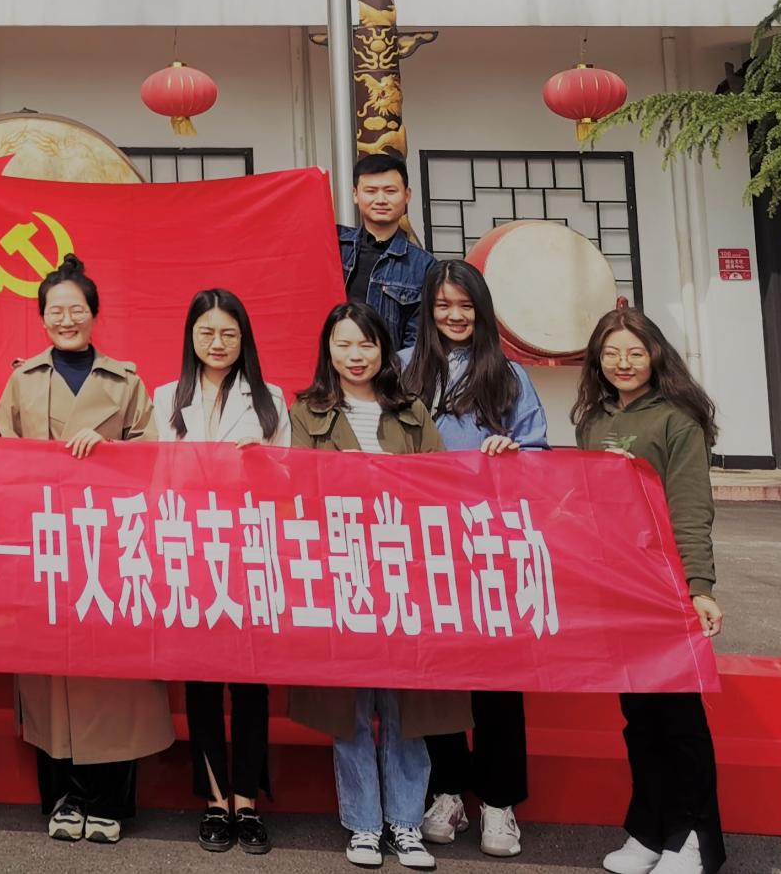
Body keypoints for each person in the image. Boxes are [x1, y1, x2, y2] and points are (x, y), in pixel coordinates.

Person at [0, 255, 174, 846]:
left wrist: (111, 450)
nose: (66, 319)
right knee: (50, 676)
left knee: (111, 677)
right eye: (56, 311)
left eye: (76, 309)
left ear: (94, 315)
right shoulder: (22, 380)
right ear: (42, 317)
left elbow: (154, 459)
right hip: (45, 543)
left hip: (110, 546)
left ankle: (109, 801)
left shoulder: (126, 382)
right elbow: (0, 457)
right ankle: (64, 797)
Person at [287, 303, 462, 871]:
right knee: (352, 709)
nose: (355, 356)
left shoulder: (411, 411)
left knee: (407, 705)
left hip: (405, 574)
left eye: (366, 344)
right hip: (341, 573)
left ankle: (405, 823)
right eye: (343, 344)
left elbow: (442, 485)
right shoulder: (305, 411)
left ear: (384, 350)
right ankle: (363, 824)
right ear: (328, 350)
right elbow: (295, 489)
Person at [401, 260, 548, 860]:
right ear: (428, 311)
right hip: (422, 543)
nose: (454, 316)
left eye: (465, 306)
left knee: (495, 675)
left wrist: (515, 452)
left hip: (489, 544)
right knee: (434, 673)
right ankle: (446, 790)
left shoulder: (509, 375)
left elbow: (539, 452)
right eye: (443, 306)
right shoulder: (403, 368)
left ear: (482, 311)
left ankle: (499, 799)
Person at [573, 309, 725, 874]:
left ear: (656, 356)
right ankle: (648, 830)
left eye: (635, 352)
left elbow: (690, 508)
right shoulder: (593, 419)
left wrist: (699, 587)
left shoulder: (676, 421)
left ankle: (694, 839)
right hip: (615, 586)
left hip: (663, 584)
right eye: (612, 353)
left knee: (678, 717)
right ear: (597, 361)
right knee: (638, 715)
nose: (624, 363)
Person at [153, 289, 290, 856]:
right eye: (207, 332)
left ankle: (247, 801)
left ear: (243, 339)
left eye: (228, 334)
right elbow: (159, 481)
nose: (217, 343)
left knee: (251, 684)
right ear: (191, 336)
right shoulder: (167, 397)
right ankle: (214, 800)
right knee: (203, 682)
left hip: (248, 551)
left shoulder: (270, 399)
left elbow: (288, 485)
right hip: (190, 552)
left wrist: (264, 462)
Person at [339, 153, 434, 352]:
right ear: (355, 195)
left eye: (390, 191)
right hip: (327, 367)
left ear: (407, 195)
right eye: (371, 191)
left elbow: (416, 340)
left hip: (389, 369)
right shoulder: (334, 245)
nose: (381, 200)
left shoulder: (424, 266)